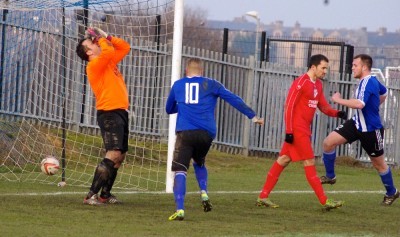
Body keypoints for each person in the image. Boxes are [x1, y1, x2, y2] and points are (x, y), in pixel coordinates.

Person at [165, 58, 264, 220]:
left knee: (180, 169)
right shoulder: (212, 84)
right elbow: (234, 99)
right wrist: (253, 117)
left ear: (186, 71)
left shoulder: (178, 85)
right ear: (202, 72)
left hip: (186, 133)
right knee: (199, 162)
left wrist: (182, 104)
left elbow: (169, 109)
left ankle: (180, 209)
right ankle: (204, 192)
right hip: (207, 134)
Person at [256, 54, 346, 211]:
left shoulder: (318, 85)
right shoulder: (300, 82)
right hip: (297, 129)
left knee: (283, 160)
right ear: (313, 67)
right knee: (309, 162)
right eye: (323, 68)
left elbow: (323, 106)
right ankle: (325, 201)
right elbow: (289, 107)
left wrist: (337, 113)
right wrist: (289, 131)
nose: (325, 71)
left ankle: (263, 196)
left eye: (326, 68)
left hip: (304, 129)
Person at [320, 54, 399, 205]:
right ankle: (330, 176)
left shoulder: (367, 82)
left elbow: (359, 104)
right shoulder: (373, 80)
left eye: (355, 65)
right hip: (356, 124)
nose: (352, 68)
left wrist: (337, 100)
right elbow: (384, 93)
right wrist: (374, 104)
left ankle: (392, 192)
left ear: (364, 67)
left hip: (371, 130)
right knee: (328, 143)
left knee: (379, 164)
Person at [76, 27, 131, 205]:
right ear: (90, 51)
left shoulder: (107, 61)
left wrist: (107, 36)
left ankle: (105, 195)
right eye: (91, 43)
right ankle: (90, 195)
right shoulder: (94, 65)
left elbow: (125, 47)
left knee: (119, 156)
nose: (95, 42)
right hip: (109, 112)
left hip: (120, 111)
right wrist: (99, 38)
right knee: (113, 153)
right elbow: (107, 50)